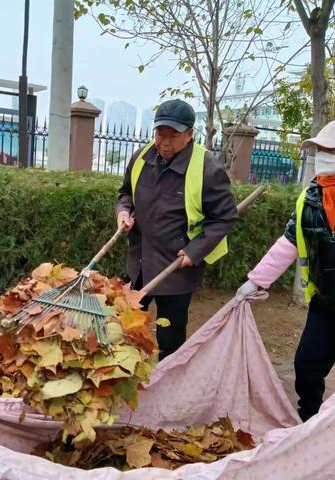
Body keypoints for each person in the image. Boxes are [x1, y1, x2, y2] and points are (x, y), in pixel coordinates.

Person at [116, 99, 238, 360]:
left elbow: (224, 217)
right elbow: (125, 192)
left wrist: (196, 250)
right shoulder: (142, 158)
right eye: (161, 133)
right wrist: (123, 211)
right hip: (138, 262)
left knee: (169, 336)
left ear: (190, 134)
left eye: (174, 135)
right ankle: (123, 378)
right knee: (125, 327)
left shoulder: (207, 169)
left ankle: (167, 384)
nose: (165, 142)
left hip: (177, 266)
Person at [236, 120, 335, 422]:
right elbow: (289, 242)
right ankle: (308, 428)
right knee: (307, 368)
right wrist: (255, 281)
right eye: (320, 150)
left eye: (330, 151)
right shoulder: (311, 198)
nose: (323, 156)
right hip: (326, 304)